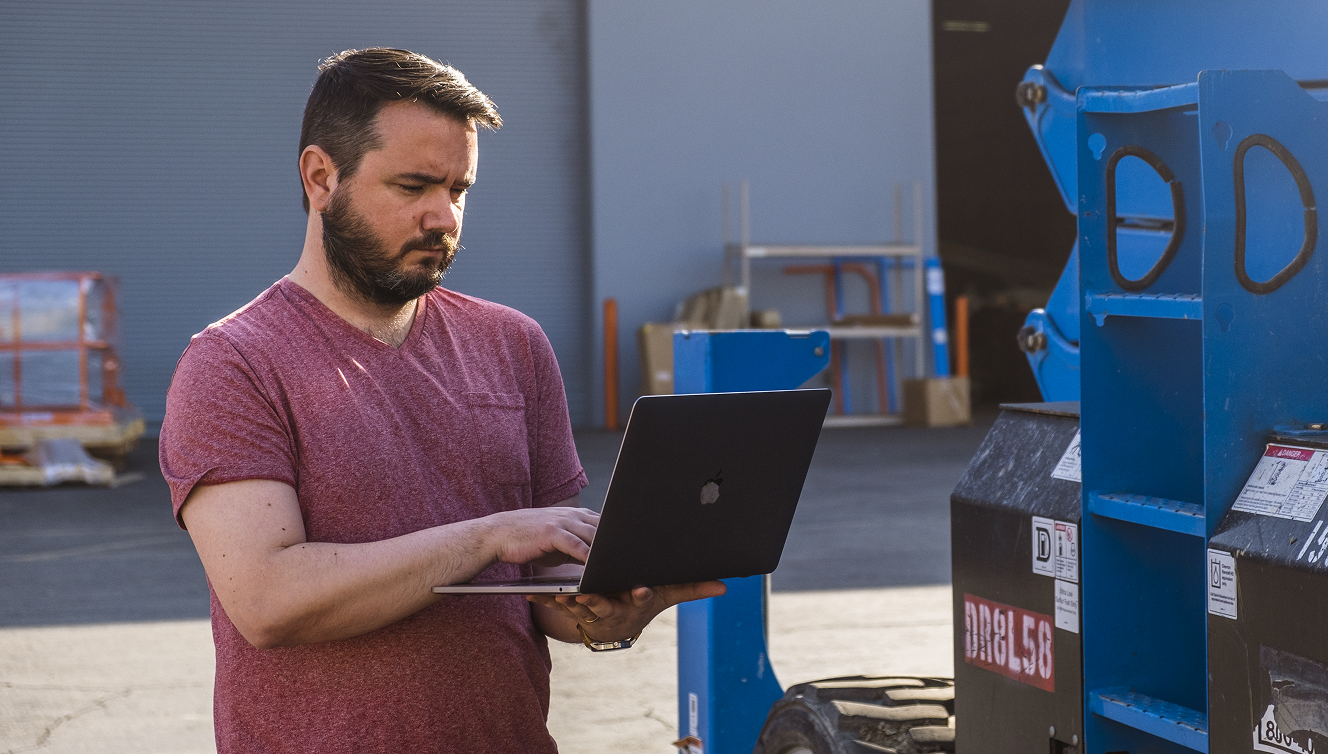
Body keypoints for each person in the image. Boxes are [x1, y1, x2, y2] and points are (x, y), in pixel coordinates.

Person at [159, 47, 724, 753]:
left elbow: (538, 582)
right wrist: (487, 536)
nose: (443, 217)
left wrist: (603, 608)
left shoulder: (512, 344)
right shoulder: (235, 363)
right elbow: (269, 600)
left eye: (458, 190)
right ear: (320, 177)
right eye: (414, 186)